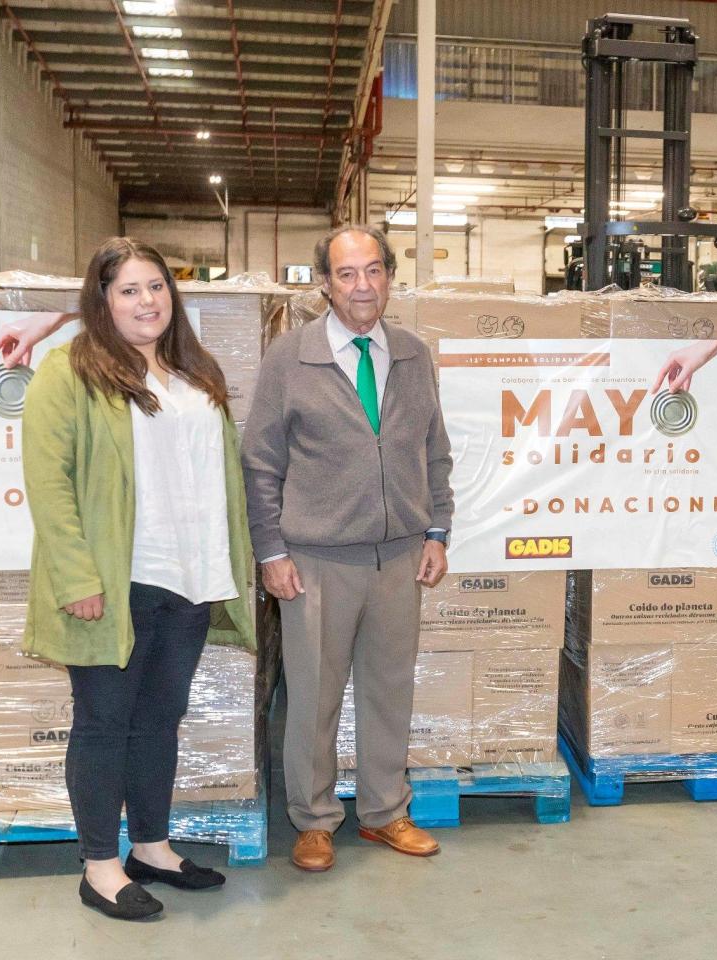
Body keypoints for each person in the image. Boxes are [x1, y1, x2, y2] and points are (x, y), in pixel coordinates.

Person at [22, 237, 258, 921]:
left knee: (159, 721)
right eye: (127, 290)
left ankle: (150, 846)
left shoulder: (194, 370)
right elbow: (49, 484)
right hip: (114, 579)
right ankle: (99, 865)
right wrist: (76, 578)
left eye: (155, 286)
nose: (146, 301)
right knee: (102, 724)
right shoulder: (67, 371)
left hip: (187, 578)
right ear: (102, 301)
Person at [243, 224, 454, 872]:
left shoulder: (415, 355)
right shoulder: (291, 356)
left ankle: (386, 811)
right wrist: (272, 550)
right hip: (317, 560)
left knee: (390, 690)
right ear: (326, 285)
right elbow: (259, 459)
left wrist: (438, 531)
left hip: (397, 556)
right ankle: (313, 820)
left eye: (373, 271)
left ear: (389, 277)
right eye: (346, 274)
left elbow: (434, 452)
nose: (362, 286)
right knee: (314, 697)